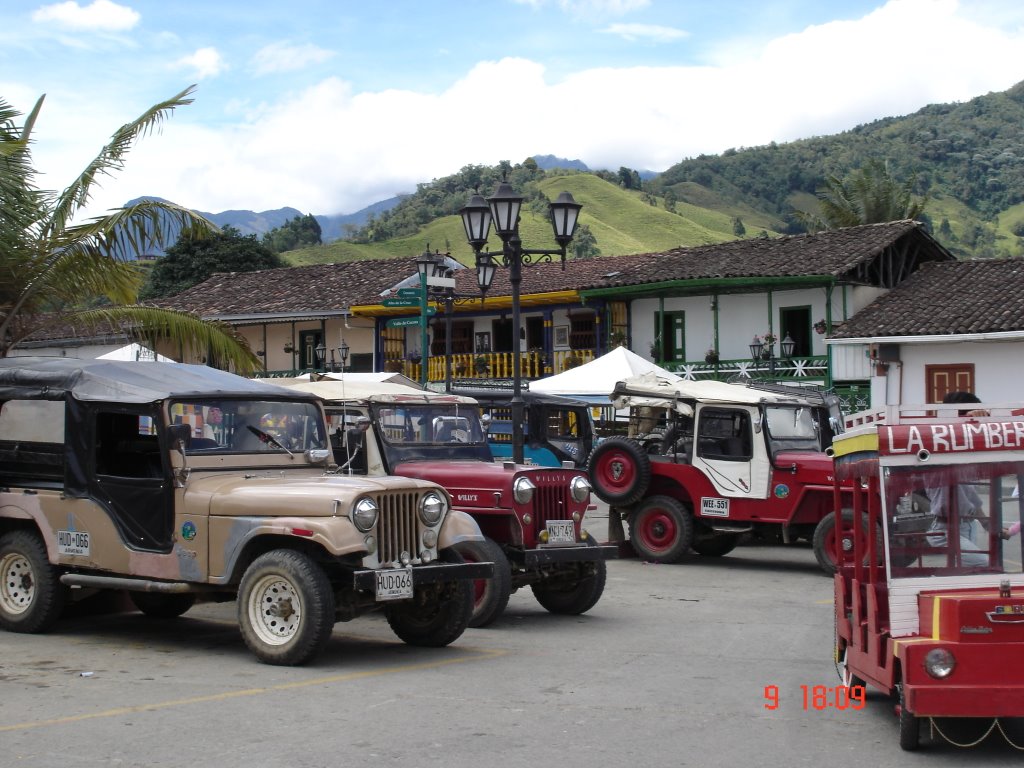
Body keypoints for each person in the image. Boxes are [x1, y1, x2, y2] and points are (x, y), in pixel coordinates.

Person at [925, 392, 991, 567]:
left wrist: (987, 525)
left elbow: (971, 498)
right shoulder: (937, 445)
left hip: (967, 525)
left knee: (970, 570)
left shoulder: (965, 454)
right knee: (983, 564)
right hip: (947, 529)